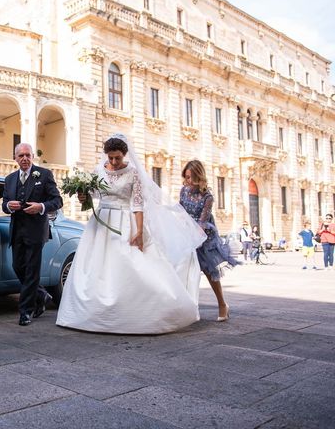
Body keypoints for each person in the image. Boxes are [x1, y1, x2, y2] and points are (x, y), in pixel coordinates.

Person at [56, 134, 207, 334]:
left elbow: (137, 204)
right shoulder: (98, 170)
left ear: (124, 154)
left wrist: (138, 232)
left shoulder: (133, 173)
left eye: (117, 157)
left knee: (133, 266)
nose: (114, 162)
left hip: (124, 222)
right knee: (94, 267)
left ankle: (140, 312)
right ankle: (90, 314)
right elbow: (92, 195)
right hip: (100, 225)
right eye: (110, 158)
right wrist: (82, 194)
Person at [2, 143, 63, 326]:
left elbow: (57, 200)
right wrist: (8, 206)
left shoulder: (44, 174)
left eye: (28, 155)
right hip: (17, 230)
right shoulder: (10, 179)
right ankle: (41, 295)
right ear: (15, 158)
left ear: (32, 156)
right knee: (18, 267)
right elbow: (5, 202)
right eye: (21, 156)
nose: (25, 158)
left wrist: (41, 207)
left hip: (36, 231)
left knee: (31, 271)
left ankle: (25, 311)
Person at [180, 160, 239, 322]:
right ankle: (186, 307)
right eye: (186, 177)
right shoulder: (183, 191)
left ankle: (222, 304)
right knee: (184, 269)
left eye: (191, 178)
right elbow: (180, 211)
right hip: (186, 233)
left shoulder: (208, 196)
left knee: (208, 271)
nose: (188, 181)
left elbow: (203, 220)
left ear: (199, 177)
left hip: (203, 236)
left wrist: (195, 236)